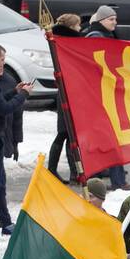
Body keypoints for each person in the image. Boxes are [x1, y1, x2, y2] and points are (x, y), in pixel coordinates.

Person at [0, 42, 31, 235]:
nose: (4, 63)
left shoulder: (4, 80)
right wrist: (23, 95)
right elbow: (3, 107)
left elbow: (9, 110)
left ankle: (4, 221)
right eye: (2, 59)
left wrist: (15, 91)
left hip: (1, 139)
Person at [84, 5, 130, 190]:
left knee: (101, 140)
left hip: (103, 95)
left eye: (115, 19)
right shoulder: (96, 38)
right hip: (100, 97)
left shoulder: (104, 36)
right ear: (102, 21)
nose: (115, 22)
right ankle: (117, 181)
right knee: (111, 139)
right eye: (111, 19)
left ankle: (93, 178)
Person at [47, 14, 83, 183]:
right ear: (71, 28)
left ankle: (66, 171)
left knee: (67, 133)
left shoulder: (58, 41)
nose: (80, 29)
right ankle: (63, 171)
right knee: (66, 133)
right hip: (66, 91)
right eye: (78, 26)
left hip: (67, 90)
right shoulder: (65, 43)